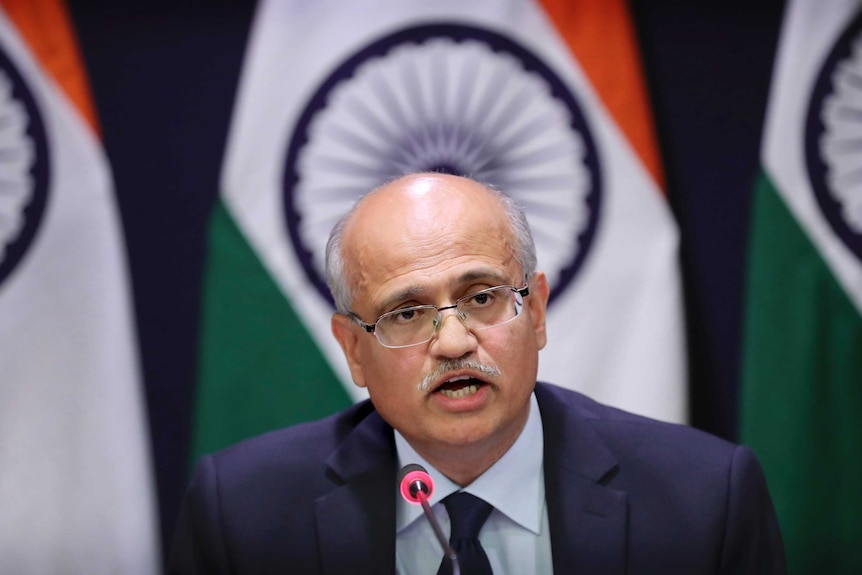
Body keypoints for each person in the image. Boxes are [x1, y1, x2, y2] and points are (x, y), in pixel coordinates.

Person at [169, 172, 785, 574]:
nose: (455, 342)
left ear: (536, 311)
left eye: (483, 298)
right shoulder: (242, 515)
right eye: (406, 313)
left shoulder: (706, 503)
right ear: (354, 350)